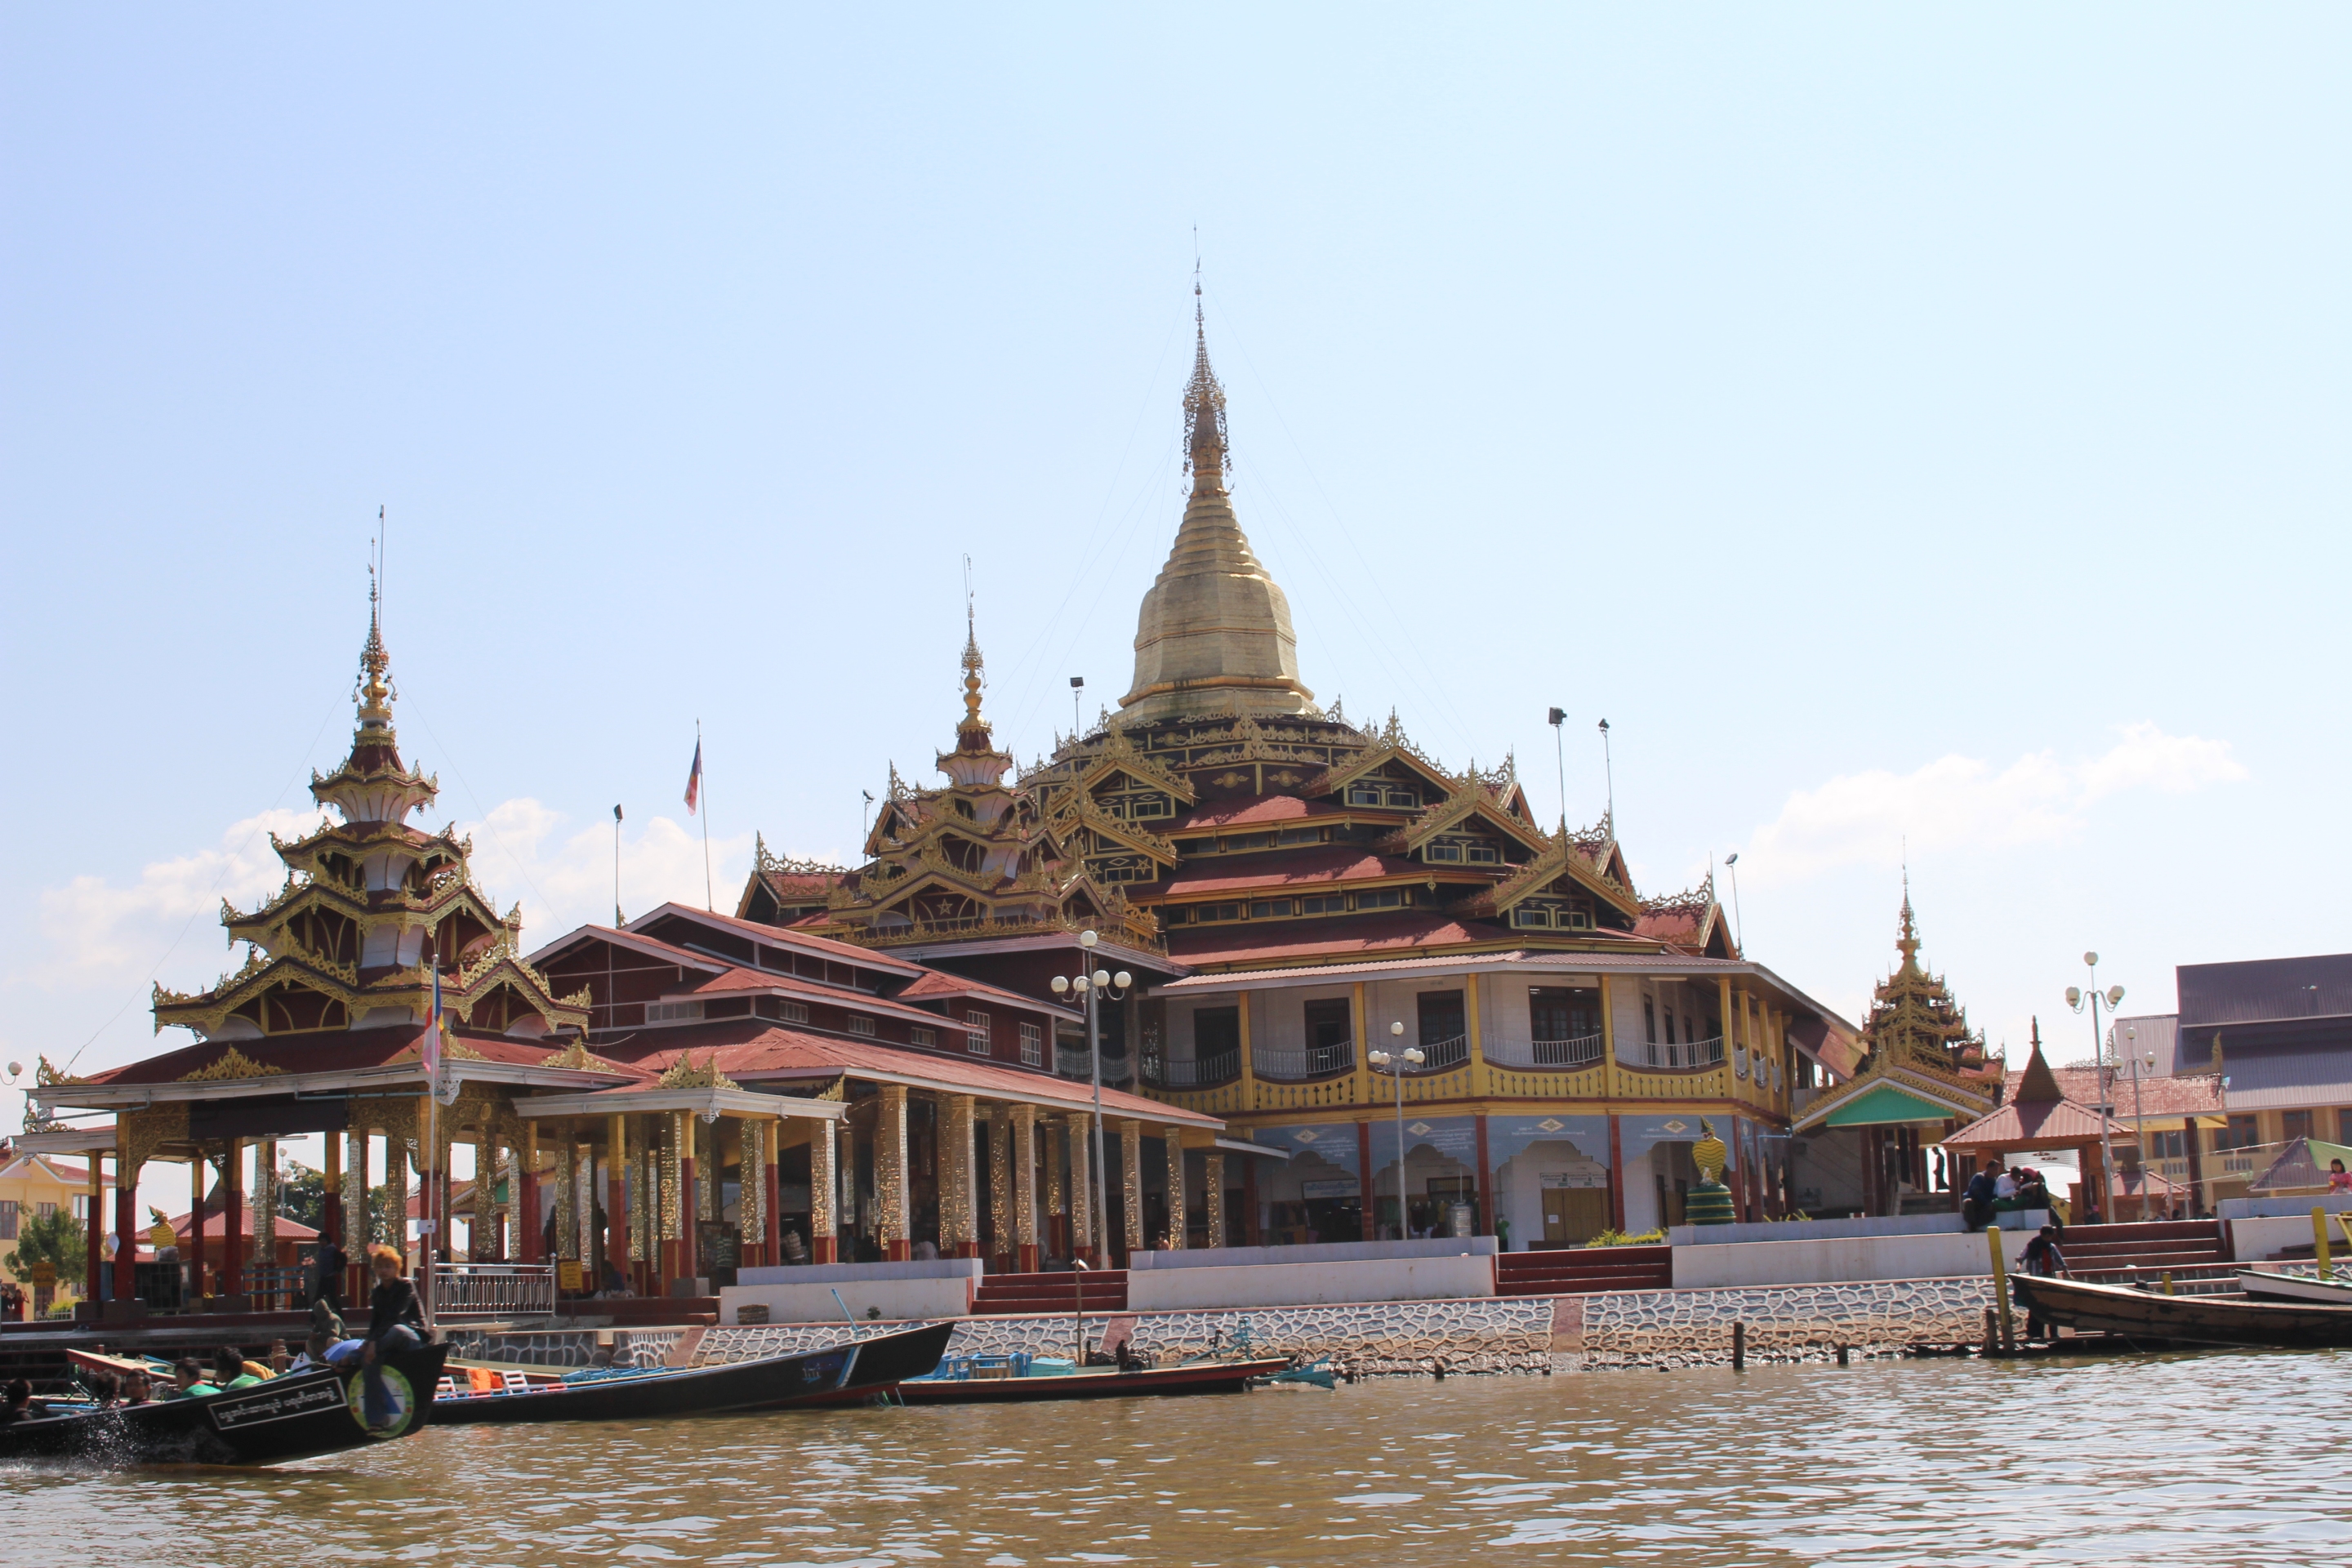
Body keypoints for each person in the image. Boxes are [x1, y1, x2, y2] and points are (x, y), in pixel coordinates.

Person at [358, 1245, 425, 1427]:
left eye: (388, 1266)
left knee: (396, 1330)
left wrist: (373, 1343)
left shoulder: (405, 1286)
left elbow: (395, 1316)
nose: (384, 1271)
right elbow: (375, 1323)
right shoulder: (378, 1293)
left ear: (396, 1268)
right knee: (367, 1358)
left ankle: (359, 1354)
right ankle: (376, 1418)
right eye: (380, 1267)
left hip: (410, 1335)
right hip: (386, 1339)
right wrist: (369, 1343)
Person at [2020, 1224, 2070, 1342]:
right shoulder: (2032, 1245)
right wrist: (2018, 1267)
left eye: (2050, 1237)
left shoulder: (2051, 1247)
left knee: (2052, 1307)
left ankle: (2054, 1334)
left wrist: (2066, 1272)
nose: (2048, 1239)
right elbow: (2021, 1257)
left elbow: (2060, 1261)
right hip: (2036, 1281)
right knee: (2036, 1308)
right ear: (2043, 1235)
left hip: (2049, 1279)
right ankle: (2035, 1334)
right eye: (2047, 1236)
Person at [309, 1236, 349, 1312]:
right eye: (320, 1241)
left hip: (330, 1278)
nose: (322, 1243)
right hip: (323, 1278)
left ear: (327, 1242)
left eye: (323, 1241)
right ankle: (313, 1319)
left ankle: (340, 1316)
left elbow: (344, 1258)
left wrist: (338, 1269)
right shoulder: (321, 1251)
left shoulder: (333, 1250)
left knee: (332, 1299)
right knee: (317, 1298)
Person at [1962, 1160, 2000, 1231]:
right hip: (1975, 1203)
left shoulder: (1994, 1181)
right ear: (1988, 1168)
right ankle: (1972, 1226)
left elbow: (1995, 1194)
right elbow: (1976, 1192)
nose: (1996, 1171)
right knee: (1968, 1202)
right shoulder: (1979, 1177)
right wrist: (1986, 1202)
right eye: (1995, 1169)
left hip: (1984, 1205)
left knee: (1993, 1208)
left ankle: (1978, 1225)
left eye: (1997, 1170)